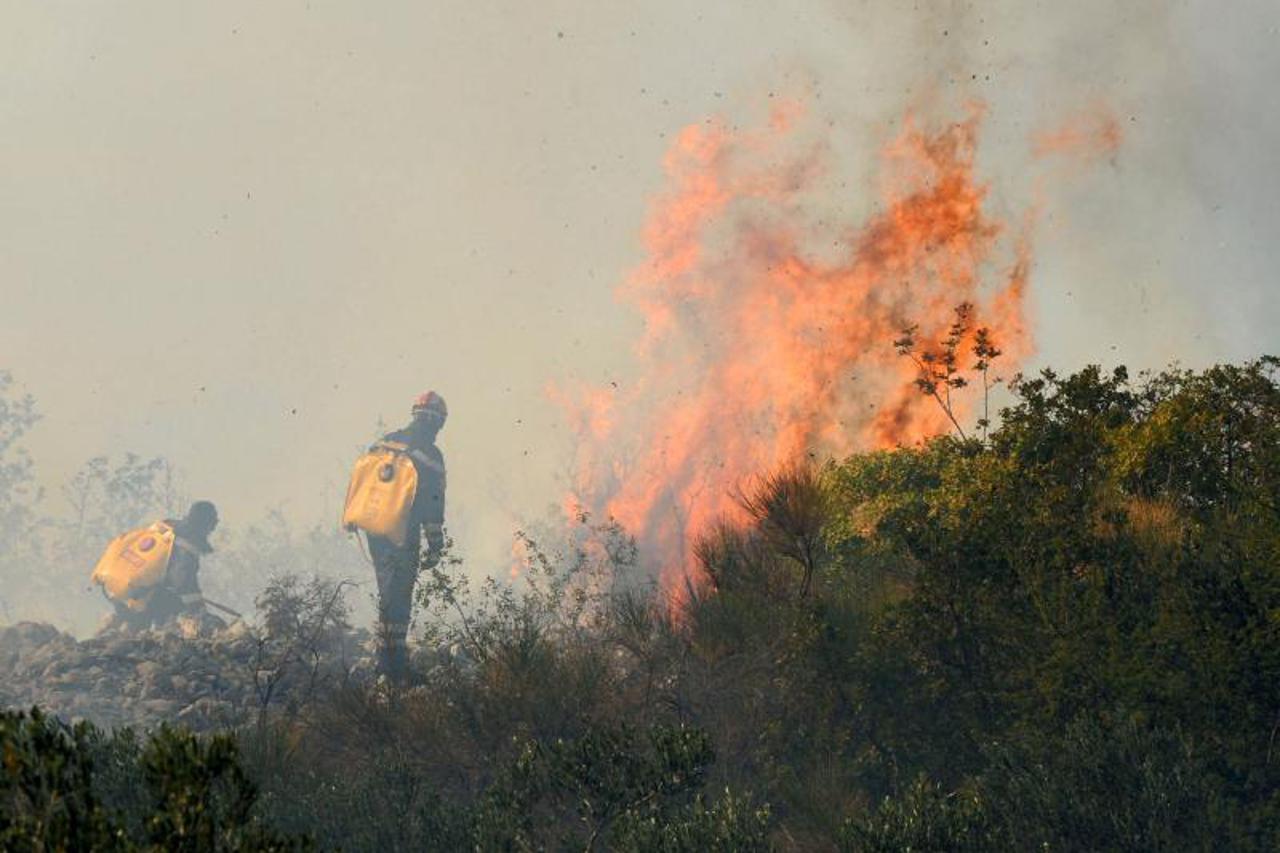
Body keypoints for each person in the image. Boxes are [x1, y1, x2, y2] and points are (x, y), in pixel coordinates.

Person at [365, 392, 447, 679]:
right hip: (403, 531)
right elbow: (433, 504)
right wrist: (435, 545)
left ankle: (387, 657)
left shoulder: (386, 441)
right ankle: (392, 664)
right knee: (399, 594)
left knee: (388, 589)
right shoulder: (431, 455)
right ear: (438, 423)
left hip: (375, 529)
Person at [101, 500, 222, 634]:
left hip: (114, 587)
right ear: (204, 524)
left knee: (134, 622)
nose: (213, 529)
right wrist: (199, 610)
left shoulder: (167, 529)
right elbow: (183, 583)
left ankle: (119, 625)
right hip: (138, 596)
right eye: (212, 524)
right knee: (176, 606)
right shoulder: (186, 548)